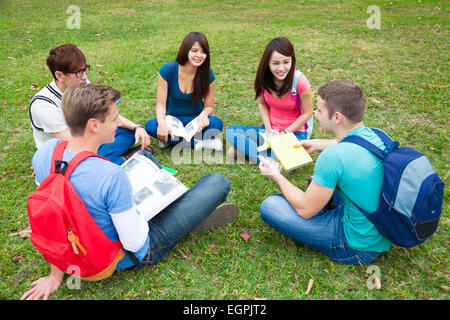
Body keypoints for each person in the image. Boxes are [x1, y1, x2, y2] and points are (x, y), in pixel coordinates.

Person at [21, 84, 238, 300]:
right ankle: (186, 216)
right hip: (130, 253)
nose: (119, 123)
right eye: (114, 119)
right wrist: (138, 207)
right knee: (217, 182)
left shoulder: (45, 153)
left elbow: (53, 217)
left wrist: (55, 275)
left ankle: (182, 210)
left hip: (80, 242)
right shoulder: (111, 176)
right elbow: (134, 243)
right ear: (94, 125)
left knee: (143, 158)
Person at [258, 80, 391, 265]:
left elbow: (305, 210)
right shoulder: (378, 135)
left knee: (270, 206)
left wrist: (276, 174)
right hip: (382, 225)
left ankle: (322, 209)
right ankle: (322, 200)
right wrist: (318, 143)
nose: (314, 114)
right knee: (329, 182)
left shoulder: (333, 157)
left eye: (319, 110)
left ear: (337, 117)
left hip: (356, 243)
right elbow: (349, 144)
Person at [29, 43, 152, 165]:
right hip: (66, 153)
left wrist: (137, 127)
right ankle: (122, 160)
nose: (85, 76)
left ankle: (115, 159)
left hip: (89, 136)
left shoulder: (81, 84)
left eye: (85, 69)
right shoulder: (44, 105)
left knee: (128, 132)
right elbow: (72, 144)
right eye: (78, 72)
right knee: (89, 159)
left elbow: (107, 115)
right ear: (59, 75)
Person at [226, 37, 314, 163]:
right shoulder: (262, 79)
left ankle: (254, 153)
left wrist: (283, 133)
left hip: (294, 134)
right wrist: (269, 130)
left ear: (292, 60)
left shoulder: (299, 81)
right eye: (276, 63)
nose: (281, 68)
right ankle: (268, 157)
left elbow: (308, 113)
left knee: (234, 152)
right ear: (268, 63)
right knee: (231, 131)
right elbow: (262, 104)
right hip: (270, 133)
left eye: (286, 62)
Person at [145, 32, 223, 151]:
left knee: (216, 123)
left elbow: (209, 106)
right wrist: (162, 125)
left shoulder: (208, 75)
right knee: (150, 126)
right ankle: (200, 143)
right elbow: (160, 105)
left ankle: (170, 140)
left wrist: (203, 115)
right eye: (194, 51)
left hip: (195, 122)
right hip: (172, 120)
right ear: (186, 50)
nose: (199, 55)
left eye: (203, 52)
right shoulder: (168, 70)